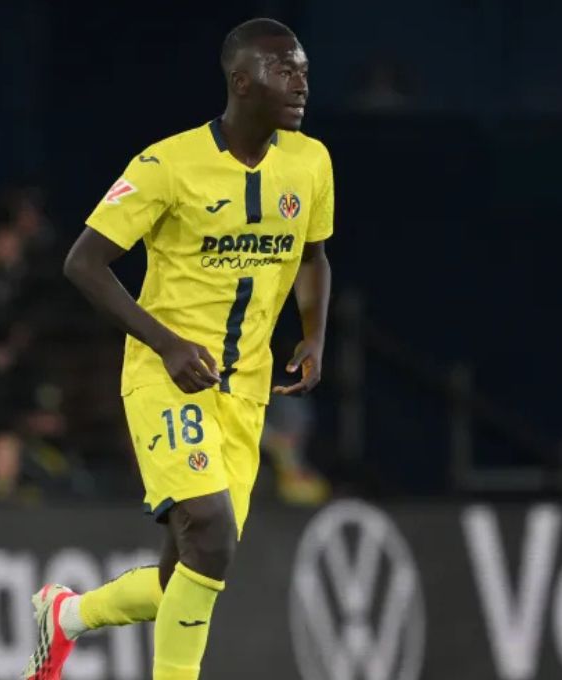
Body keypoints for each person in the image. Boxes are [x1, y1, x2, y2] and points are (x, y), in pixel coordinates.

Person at [23, 18, 334, 680]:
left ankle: (67, 616)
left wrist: (314, 333)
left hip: (245, 391)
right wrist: (165, 343)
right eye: (284, 70)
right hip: (169, 377)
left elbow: (313, 256)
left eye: (304, 70)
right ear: (241, 81)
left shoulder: (310, 162)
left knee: (192, 572)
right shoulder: (166, 165)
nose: (301, 83)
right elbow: (84, 262)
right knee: (212, 535)